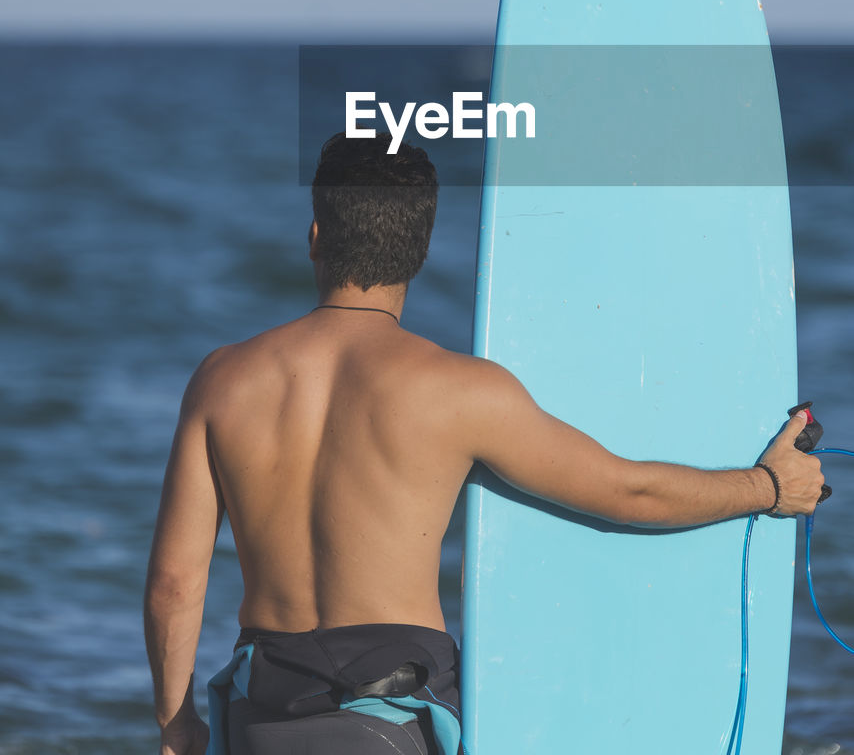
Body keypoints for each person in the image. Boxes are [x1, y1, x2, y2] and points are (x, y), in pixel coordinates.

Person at [144, 133, 824, 755]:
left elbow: (176, 582)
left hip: (259, 714)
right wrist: (766, 487)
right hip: (389, 723)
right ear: (419, 251)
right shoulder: (462, 393)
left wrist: (176, 724)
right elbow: (626, 490)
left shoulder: (222, 380)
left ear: (317, 237)